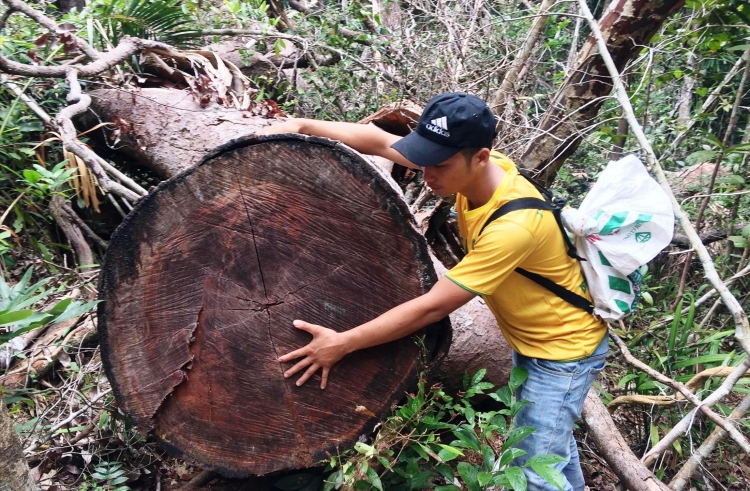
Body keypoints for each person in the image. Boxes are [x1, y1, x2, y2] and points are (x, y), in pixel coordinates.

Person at [256, 93, 608, 491]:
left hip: (562, 351)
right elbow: (378, 141)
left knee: (533, 470)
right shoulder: (474, 171)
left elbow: (432, 308)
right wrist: (303, 125)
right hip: (534, 341)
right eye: (424, 158)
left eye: (438, 164)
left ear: (480, 157)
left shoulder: (515, 227)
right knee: (549, 449)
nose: (427, 175)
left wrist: (342, 343)